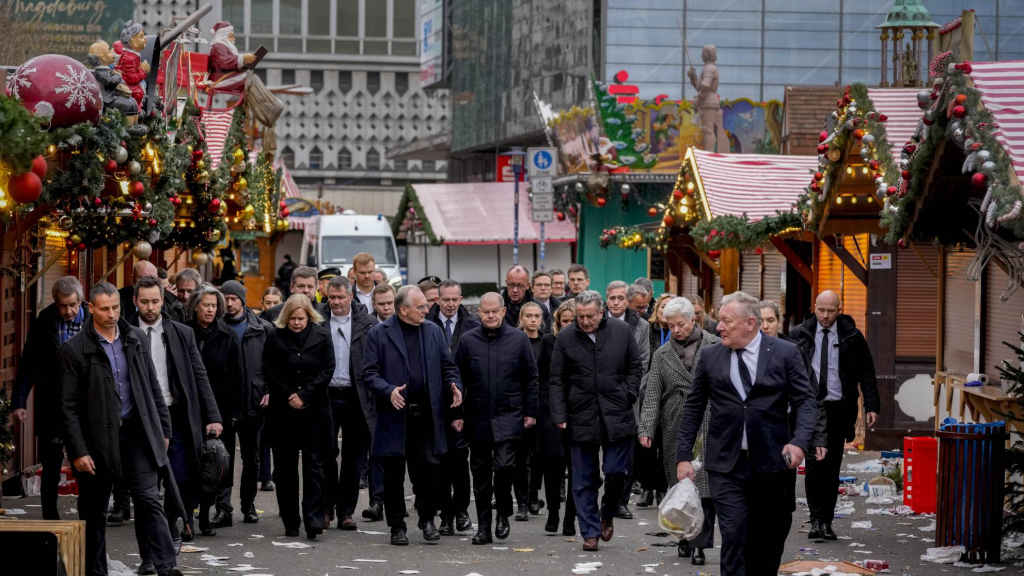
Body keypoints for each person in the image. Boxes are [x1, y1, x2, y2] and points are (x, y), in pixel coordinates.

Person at [676, 291, 817, 576]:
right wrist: (683, 457)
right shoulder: (710, 356)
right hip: (726, 463)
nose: (719, 327)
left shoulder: (785, 353)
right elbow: (693, 408)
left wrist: (799, 442)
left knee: (764, 538)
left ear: (750, 323)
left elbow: (806, 402)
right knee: (734, 534)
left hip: (772, 461)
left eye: (727, 321)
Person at [59, 282, 185, 576]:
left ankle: (167, 567)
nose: (112, 314)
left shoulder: (134, 337)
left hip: (136, 434)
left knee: (149, 499)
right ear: (90, 308)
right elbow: (67, 406)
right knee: (94, 511)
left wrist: (163, 431)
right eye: (104, 308)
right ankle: (95, 571)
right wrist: (77, 450)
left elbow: (151, 387)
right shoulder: (74, 350)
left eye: (115, 307)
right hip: (96, 440)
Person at [130, 277, 222, 572]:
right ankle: (148, 556)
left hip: (178, 419)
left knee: (180, 483)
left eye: (155, 301)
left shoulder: (181, 333)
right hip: (140, 422)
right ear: (135, 302)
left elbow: (199, 375)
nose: (150, 307)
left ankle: (169, 534)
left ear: (163, 301)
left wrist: (213, 416)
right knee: (146, 494)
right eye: (144, 302)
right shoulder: (126, 334)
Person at [362, 286, 463, 546]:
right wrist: (388, 390)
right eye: (421, 307)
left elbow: (448, 365)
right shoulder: (378, 333)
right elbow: (369, 373)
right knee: (394, 474)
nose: (427, 310)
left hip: (428, 415)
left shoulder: (432, 330)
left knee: (430, 469)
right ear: (403, 309)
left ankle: (427, 518)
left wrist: (453, 384)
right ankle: (397, 525)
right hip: (394, 415)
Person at [550, 290, 643, 552]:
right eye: (580, 316)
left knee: (616, 471)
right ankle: (590, 532)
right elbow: (557, 378)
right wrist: (559, 414)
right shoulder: (566, 337)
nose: (585, 321)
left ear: (601, 312)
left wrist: (628, 393)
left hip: (617, 412)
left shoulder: (621, 330)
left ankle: (607, 513)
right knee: (582, 480)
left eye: (590, 316)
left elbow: (635, 367)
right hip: (580, 414)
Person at [791, 290, 879, 541]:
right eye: (821, 310)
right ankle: (816, 520)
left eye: (831, 311)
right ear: (814, 308)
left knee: (831, 467)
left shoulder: (851, 336)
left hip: (839, 408)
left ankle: (826, 521)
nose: (825, 316)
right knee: (813, 465)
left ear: (839, 310)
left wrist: (871, 405)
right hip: (809, 407)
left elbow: (867, 372)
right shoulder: (801, 334)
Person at [638, 297, 719, 565]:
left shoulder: (715, 345)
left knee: (704, 486)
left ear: (693, 319)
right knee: (680, 484)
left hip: (709, 421)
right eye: (670, 326)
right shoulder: (662, 355)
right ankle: (684, 536)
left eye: (680, 324)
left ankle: (700, 545)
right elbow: (652, 395)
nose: (676, 330)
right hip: (675, 422)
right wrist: (646, 428)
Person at [454, 293, 539, 544]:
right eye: (485, 312)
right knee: (480, 475)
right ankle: (484, 528)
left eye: (495, 311)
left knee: (503, 468)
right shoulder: (468, 340)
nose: (490, 316)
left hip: (510, 414)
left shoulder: (519, 338)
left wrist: (530, 411)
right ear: (479, 312)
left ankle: (503, 512)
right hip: (477, 416)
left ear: (503, 312)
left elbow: (531, 378)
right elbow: (456, 380)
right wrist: (457, 415)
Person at [759, 299, 829, 567]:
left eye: (771, 321)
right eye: (761, 320)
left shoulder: (792, 352)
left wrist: (818, 438)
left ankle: (772, 555)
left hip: (786, 439)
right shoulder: (743, 351)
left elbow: (812, 398)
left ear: (780, 322)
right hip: (751, 442)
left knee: (782, 505)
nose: (766, 326)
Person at [13, 277, 89, 520]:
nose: (68, 311)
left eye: (72, 305)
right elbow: (28, 364)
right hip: (52, 403)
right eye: (63, 305)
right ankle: (49, 516)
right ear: (55, 303)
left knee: (86, 464)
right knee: (51, 463)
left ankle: (87, 516)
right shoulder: (45, 320)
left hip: (85, 405)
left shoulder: (92, 320)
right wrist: (19, 402)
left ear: (81, 300)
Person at [262, 294, 335, 540]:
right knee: (285, 468)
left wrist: (305, 395)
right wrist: (290, 395)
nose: (296, 323)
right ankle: (291, 521)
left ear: (309, 317)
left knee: (314, 465)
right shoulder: (274, 336)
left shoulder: (322, 335)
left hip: (315, 409)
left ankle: (313, 520)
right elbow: (269, 370)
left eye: (301, 318)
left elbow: (328, 369)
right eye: (292, 318)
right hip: (284, 409)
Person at [321, 276, 383, 530]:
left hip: (357, 397)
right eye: (331, 297)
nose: (335, 302)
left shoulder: (367, 323)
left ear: (350, 297)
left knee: (354, 458)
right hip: (325, 396)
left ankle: (346, 511)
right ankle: (324, 510)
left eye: (340, 297)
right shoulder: (317, 320)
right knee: (324, 454)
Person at [185, 285, 245, 535]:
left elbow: (238, 377)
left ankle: (209, 516)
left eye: (214, 306)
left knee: (215, 466)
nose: (210, 310)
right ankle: (187, 516)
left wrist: (233, 413)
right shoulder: (184, 331)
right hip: (189, 410)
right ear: (196, 306)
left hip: (219, 412)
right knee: (189, 465)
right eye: (205, 305)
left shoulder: (227, 335)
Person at [427, 279, 479, 535]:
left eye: (454, 299)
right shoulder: (425, 324)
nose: (449, 304)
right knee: (439, 462)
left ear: (461, 299)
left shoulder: (472, 325)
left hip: (463, 403)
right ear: (437, 299)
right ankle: (445, 514)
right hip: (433, 404)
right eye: (445, 299)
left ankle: (461, 511)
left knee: (459, 461)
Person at [219, 281, 273, 525]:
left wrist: (269, 390)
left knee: (251, 458)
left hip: (254, 402)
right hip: (225, 404)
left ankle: (248, 505)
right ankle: (223, 507)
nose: (229, 303)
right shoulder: (216, 328)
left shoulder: (263, 329)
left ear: (242, 299)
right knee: (222, 457)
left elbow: (274, 365)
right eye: (225, 298)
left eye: (233, 298)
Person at [605, 280, 651, 520]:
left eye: (620, 298)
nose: (615, 303)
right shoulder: (596, 320)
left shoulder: (641, 326)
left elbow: (643, 362)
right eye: (611, 298)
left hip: (627, 398)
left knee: (626, 454)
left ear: (628, 301)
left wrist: (627, 391)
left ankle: (621, 501)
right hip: (599, 397)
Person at [537, 300, 578, 536]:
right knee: (552, 466)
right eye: (565, 321)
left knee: (577, 468)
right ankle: (553, 513)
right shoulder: (548, 341)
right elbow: (541, 376)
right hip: (550, 411)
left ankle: (570, 519)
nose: (569, 325)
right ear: (558, 322)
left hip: (577, 412)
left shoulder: (586, 344)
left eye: (573, 320)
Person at [518, 302, 547, 518]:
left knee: (539, 456)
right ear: (521, 318)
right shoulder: (515, 341)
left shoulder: (546, 341)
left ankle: (534, 493)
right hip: (519, 404)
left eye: (537, 315)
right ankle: (523, 500)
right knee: (521, 456)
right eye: (528, 315)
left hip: (543, 405)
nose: (533, 320)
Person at [262, 266, 329, 323]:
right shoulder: (274, 312)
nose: (306, 290)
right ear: (292, 287)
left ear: (317, 287)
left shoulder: (326, 311)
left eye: (310, 287)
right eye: (301, 286)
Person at [501, 265, 551, 331]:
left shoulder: (541, 308)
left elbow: (545, 337)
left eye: (520, 286)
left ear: (528, 285)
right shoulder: (496, 308)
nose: (515, 290)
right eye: (511, 285)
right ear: (506, 283)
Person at [647, 294, 674, 366]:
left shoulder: (679, 332)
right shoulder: (647, 330)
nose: (666, 310)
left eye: (670, 307)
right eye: (663, 307)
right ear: (657, 310)